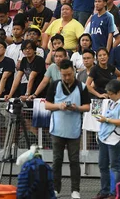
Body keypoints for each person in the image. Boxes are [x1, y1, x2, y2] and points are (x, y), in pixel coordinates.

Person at [45, 60, 90, 199]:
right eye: (64, 75)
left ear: (74, 71)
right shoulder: (54, 85)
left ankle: (75, 190)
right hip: (57, 128)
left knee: (74, 160)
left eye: (69, 74)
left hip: (73, 129)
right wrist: (59, 106)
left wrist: (76, 108)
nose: (67, 77)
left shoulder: (82, 87)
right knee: (57, 160)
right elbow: (47, 105)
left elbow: (87, 107)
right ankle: (55, 189)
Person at [95, 79, 120, 199]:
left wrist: (106, 120)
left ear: (119, 92)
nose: (109, 96)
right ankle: (104, 191)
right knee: (103, 165)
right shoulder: (112, 102)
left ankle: (117, 193)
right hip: (104, 137)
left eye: (111, 94)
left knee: (116, 167)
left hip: (116, 138)